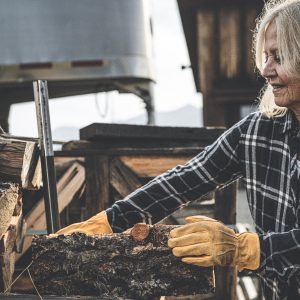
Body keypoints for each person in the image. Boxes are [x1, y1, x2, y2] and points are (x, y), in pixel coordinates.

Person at [56, 0, 300, 299]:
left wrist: (246, 248)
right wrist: (109, 221)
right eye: (265, 56)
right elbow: (187, 178)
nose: (265, 69)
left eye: (279, 56)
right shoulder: (258, 131)